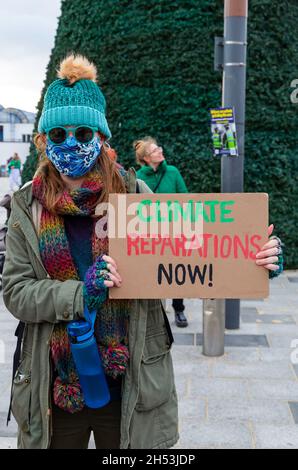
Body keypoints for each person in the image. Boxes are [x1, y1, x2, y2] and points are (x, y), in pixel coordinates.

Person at [2, 55, 178, 449]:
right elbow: (15, 292)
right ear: (44, 140)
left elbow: (191, 256)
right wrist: (82, 294)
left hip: (130, 381)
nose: (70, 143)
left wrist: (250, 259)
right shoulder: (26, 206)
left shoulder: (135, 197)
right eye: (58, 135)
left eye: (82, 134)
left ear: (100, 136)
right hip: (56, 385)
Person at [134, 137, 190, 328]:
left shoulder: (172, 172)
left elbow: (185, 198)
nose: (160, 151)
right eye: (155, 150)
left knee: (176, 268)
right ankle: (153, 310)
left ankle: (179, 308)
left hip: (174, 228)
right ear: (147, 158)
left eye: (159, 148)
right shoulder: (139, 177)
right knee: (152, 269)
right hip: (150, 232)